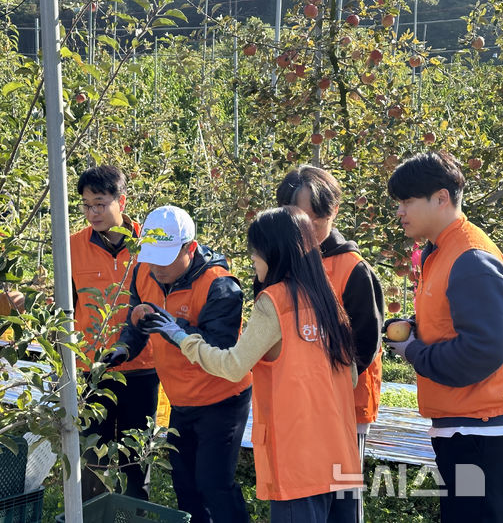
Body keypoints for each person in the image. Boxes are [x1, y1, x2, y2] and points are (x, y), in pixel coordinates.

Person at [141, 206, 362, 523]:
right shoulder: (327, 299)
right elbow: (350, 376)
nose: (252, 261)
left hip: (296, 455)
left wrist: (180, 336)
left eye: (255, 253)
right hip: (339, 452)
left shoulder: (274, 301)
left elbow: (233, 366)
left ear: (273, 254)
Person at [111, 205, 251, 523]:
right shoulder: (143, 271)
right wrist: (123, 349)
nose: (157, 269)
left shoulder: (220, 286)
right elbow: (138, 323)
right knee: (185, 485)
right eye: (152, 257)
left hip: (222, 399)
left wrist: (174, 327)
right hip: (180, 398)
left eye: (165, 259)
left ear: (189, 248)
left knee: (214, 484)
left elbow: (219, 348)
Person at [385, 151, 503, 523]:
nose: (400, 212)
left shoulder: (469, 258)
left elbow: (485, 348)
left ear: (441, 198)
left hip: (481, 433)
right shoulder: (442, 253)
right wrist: (418, 329)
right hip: (464, 427)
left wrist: (414, 351)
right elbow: (454, 325)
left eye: (406, 201)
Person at [275, 166, 384, 523]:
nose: (309, 227)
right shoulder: (283, 264)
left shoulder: (351, 268)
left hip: (344, 407)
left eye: (317, 218)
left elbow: (365, 344)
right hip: (300, 408)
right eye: (300, 218)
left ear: (333, 212)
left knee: (342, 499)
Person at [70, 165, 158, 501]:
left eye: (100, 204)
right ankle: (92, 513)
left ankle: (136, 514)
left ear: (121, 200)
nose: (92, 213)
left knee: (136, 457)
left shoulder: (148, 247)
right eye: (86, 205)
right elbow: (67, 306)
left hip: (141, 368)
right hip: (91, 370)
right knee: (92, 458)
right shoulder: (72, 246)